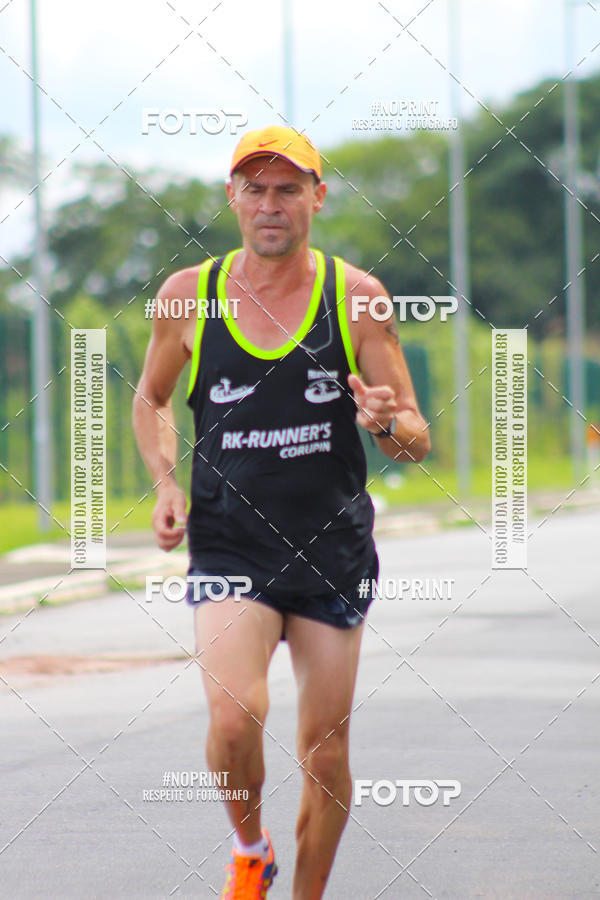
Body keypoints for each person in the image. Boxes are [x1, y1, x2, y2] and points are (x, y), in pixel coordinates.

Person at [133, 125, 430, 899]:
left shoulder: (356, 297)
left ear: (316, 199)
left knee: (324, 754)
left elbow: (415, 439)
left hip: (330, 550)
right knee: (234, 719)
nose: (271, 204)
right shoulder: (187, 296)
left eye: (288, 189)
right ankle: (250, 848)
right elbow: (152, 398)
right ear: (232, 198)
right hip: (230, 544)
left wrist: (385, 422)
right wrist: (165, 481)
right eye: (255, 188)